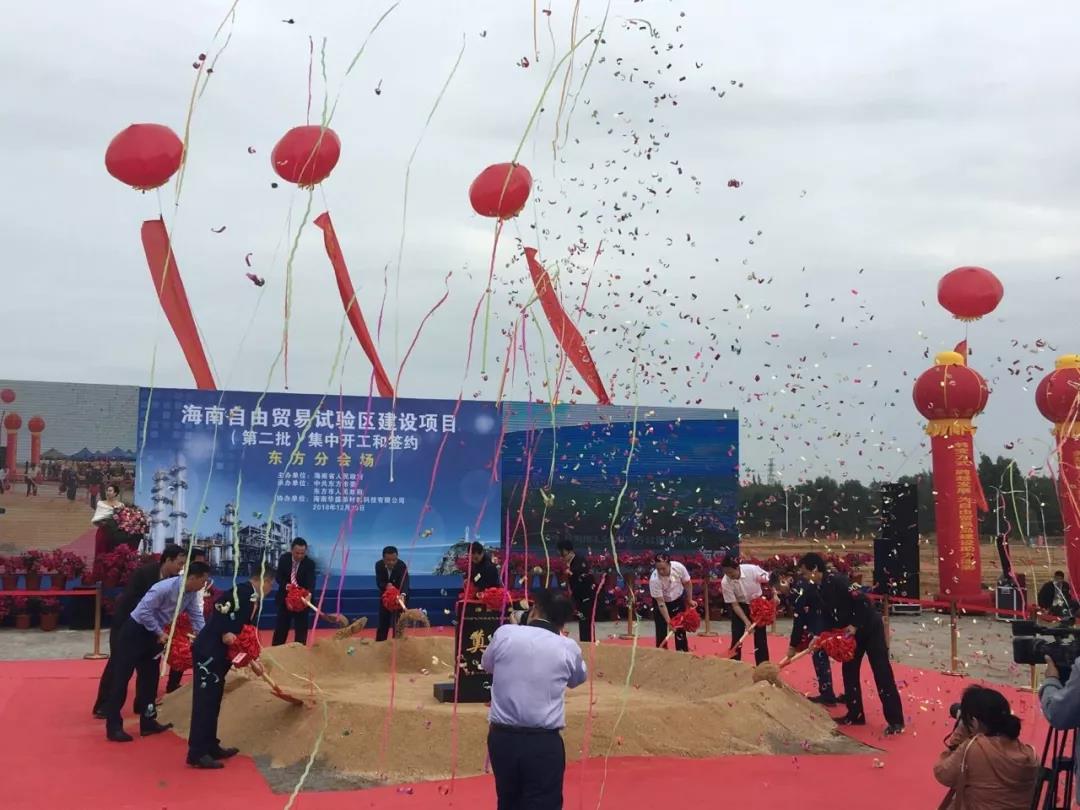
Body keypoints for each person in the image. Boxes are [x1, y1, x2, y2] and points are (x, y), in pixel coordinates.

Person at [482, 589, 587, 809]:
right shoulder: (567, 647)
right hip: (543, 742)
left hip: (503, 738)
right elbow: (577, 679)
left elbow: (487, 665)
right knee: (543, 802)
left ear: (535, 610)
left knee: (508, 800)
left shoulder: (506, 633)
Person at [103, 561, 210, 742]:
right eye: (203, 580)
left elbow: (196, 615)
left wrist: (205, 636)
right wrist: (159, 632)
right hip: (135, 632)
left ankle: (148, 721)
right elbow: (144, 612)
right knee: (121, 679)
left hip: (155, 636)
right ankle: (113, 726)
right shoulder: (163, 588)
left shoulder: (191, 593)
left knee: (150, 680)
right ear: (192, 578)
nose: (204, 584)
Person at [800, 552, 904, 735]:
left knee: (881, 671)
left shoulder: (840, 580)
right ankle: (855, 714)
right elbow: (826, 616)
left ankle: (895, 721)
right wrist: (819, 637)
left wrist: (855, 624)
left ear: (815, 569)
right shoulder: (818, 588)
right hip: (851, 635)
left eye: (805, 573)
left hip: (869, 627)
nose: (804, 577)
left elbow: (864, 599)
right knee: (849, 672)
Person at [187, 563, 276, 769]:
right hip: (208, 653)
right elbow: (220, 608)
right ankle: (197, 752)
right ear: (264, 580)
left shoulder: (253, 598)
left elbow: (244, 633)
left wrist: (252, 659)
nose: (271, 589)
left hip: (221, 655)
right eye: (271, 584)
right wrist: (224, 631)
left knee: (214, 700)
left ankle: (210, 745)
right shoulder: (241, 592)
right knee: (204, 702)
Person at [92, 544, 186, 717]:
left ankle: (143, 706)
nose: (181, 568)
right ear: (168, 560)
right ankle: (104, 705)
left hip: (153, 628)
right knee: (119, 665)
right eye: (179, 563)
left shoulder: (175, 580)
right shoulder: (144, 574)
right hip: (127, 624)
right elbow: (133, 601)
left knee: (149, 668)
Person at [934, 685, 1037, 808]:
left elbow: (943, 774)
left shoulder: (975, 748)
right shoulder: (1029, 754)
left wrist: (959, 733)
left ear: (974, 722)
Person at [782, 568, 836, 705]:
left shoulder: (799, 592)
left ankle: (828, 696)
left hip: (823, 622)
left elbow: (798, 621)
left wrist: (792, 646)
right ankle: (828, 693)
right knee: (819, 657)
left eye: (778, 588)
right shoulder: (799, 585)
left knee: (820, 657)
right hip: (819, 620)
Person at [166, 548, 210, 693]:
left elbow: (196, 608)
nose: (201, 564)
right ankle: (171, 685)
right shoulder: (180, 580)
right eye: (198, 561)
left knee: (186, 650)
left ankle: (175, 684)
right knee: (180, 650)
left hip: (194, 616)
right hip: (177, 619)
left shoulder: (200, 579)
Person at [720, 556, 772, 664]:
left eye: (730, 572)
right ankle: (735, 664)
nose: (729, 575)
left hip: (757, 605)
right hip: (740, 606)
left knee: (760, 638)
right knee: (737, 635)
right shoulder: (725, 582)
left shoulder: (752, 570)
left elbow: (770, 579)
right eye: (726, 573)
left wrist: (775, 594)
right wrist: (747, 621)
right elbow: (734, 605)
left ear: (737, 568)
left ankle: (763, 665)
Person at [272, 538, 316, 646]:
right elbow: (278, 576)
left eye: (302, 553)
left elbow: (311, 582)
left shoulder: (310, 564)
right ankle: (276, 650)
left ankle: (299, 651)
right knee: (281, 629)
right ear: (291, 550)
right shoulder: (284, 559)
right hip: (285, 598)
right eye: (297, 553)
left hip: (302, 601)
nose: (300, 556)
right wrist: (286, 585)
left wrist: (309, 594)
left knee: (301, 630)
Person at [649, 553, 695, 652]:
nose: (661, 571)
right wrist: (669, 622)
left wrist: (689, 599)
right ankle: (661, 652)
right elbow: (661, 603)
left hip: (677, 600)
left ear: (669, 565)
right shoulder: (654, 580)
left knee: (680, 629)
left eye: (663, 568)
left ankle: (682, 651)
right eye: (658, 569)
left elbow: (687, 583)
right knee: (661, 629)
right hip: (661, 603)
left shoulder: (679, 568)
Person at [558, 538, 597, 643]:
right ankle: (585, 642)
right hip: (578, 597)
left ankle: (589, 643)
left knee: (586, 621)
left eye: (563, 554)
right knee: (582, 620)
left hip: (586, 596)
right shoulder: (571, 563)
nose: (562, 557)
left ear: (568, 551)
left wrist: (571, 573)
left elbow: (584, 576)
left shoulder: (580, 561)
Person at [375, 545, 409, 642]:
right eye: (388, 560)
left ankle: (398, 644)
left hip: (400, 597)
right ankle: (380, 643)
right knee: (383, 622)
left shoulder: (401, 565)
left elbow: (405, 582)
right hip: (386, 597)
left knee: (398, 623)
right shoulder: (379, 565)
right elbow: (379, 582)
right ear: (383, 559)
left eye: (394, 560)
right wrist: (386, 586)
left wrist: (403, 594)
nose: (391, 562)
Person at [91, 483, 124, 561]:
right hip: (103, 533)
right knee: (101, 554)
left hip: (115, 534)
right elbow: (96, 520)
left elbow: (123, 520)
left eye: (110, 491)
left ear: (115, 493)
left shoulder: (121, 505)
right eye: (107, 491)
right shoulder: (101, 504)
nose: (107, 492)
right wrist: (104, 523)